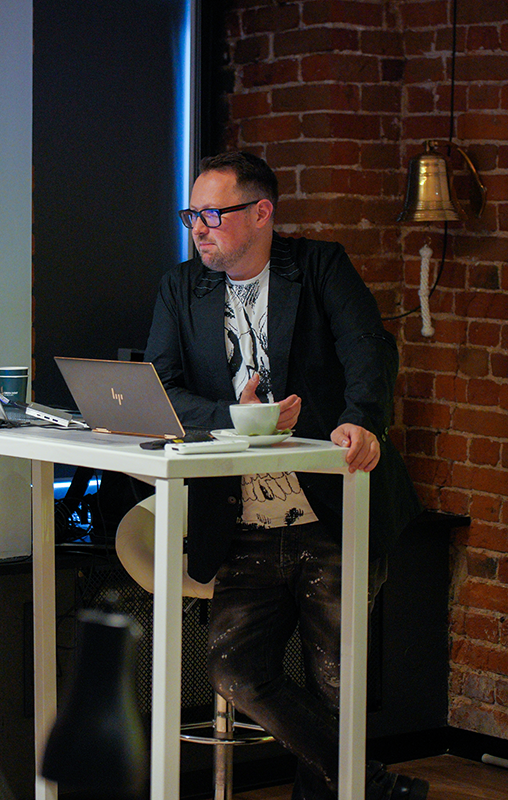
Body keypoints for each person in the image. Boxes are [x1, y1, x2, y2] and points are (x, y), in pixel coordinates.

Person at [144, 151, 426, 800]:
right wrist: (232, 417)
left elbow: (370, 349)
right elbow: (161, 387)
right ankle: (373, 787)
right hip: (242, 519)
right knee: (233, 668)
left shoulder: (319, 266)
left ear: (262, 212)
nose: (198, 228)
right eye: (191, 215)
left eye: (213, 214)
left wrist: (362, 421)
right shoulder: (181, 288)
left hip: (330, 510)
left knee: (336, 685)